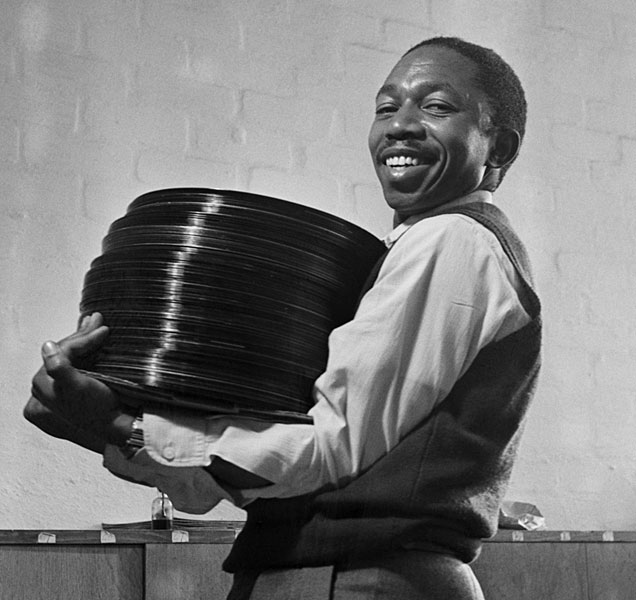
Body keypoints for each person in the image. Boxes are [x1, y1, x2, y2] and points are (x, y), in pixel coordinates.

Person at [25, 36, 541, 599]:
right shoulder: (430, 247)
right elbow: (257, 477)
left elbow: (327, 451)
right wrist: (95, 420)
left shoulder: (451, 240)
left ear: (499, 146)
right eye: (386, 107)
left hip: (359, 582)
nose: (400, 125)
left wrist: (123, 425)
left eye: (436, 106)